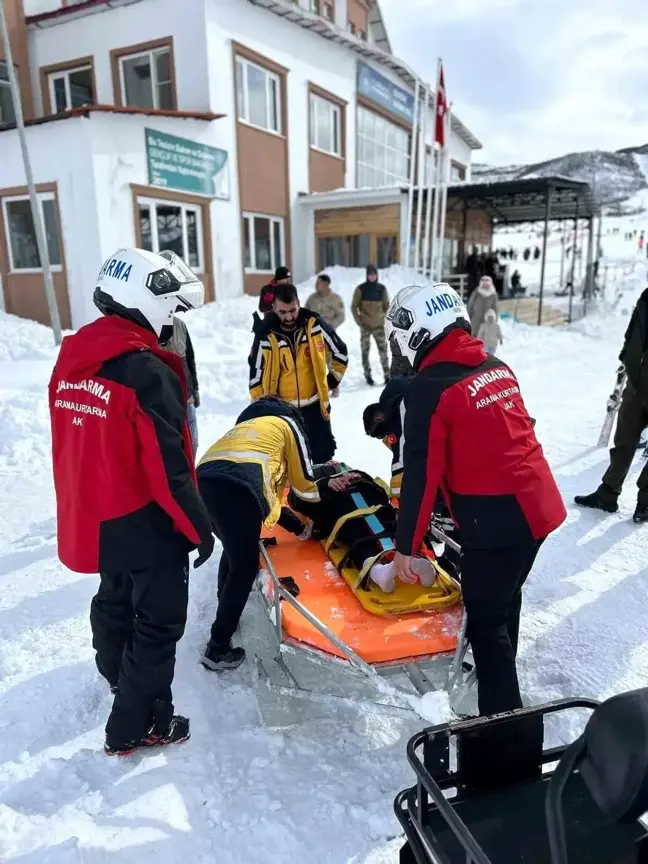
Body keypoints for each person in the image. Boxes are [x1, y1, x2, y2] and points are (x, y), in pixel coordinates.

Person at [49, 248, 215, 756]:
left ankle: (120, 678)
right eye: (172, 307)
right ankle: (133, 727)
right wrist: (198, 526)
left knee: (115, 598)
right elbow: (168, 467)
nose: (173, 318)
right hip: (146, 517)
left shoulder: (76, 358)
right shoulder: (147, 371)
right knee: (159, 622)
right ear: (145, 300)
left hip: (100, 513)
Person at [385, 282, 566, 717]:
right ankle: (501, 671)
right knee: (505, 597)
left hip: (496, 520)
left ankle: (503, 737)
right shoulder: (496, 365)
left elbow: (421, 476)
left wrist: (405, 548)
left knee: (486, 625)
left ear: (416, 331)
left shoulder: (428, 387)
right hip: (538, 507)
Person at [196, 396, 324, 670]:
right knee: (243, 566)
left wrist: (296, 526)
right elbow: (304, 483)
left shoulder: (246, 429)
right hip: (238, 487)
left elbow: (270, 491)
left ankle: (226, 608)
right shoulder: (287, 424)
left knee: (235, 550)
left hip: (202, 483)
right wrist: (318, 520)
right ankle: (217, 649)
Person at [287, 463, 438, 594]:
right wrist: (326, 483)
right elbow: (297, 497)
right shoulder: (316, 475)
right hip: (349, 497)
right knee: (365, 525)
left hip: (361, 492)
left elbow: (297, 498)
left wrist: (350, 477)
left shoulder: (332, 471)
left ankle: (393, 566)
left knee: (372, 524)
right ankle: (391, 566)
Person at [248, 283, 348, 463]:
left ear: (299, 303)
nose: (289, 317)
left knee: (323, 463)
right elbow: (255, 377)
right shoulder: (265, 334)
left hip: (315, 409)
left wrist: (330, 381)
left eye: (293, 310)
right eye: (283, 312)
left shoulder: (314, 324)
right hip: (283, 413)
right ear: (274, 308)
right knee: (287, 465)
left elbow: (340, 353)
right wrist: (261, 410)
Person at [575, 287, 648, 524]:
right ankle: (608, 493)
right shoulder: (647, 296)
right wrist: (626, 361)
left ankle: (645, 502)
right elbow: (633, 332)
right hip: (637, 383)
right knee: (624, 440)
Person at [160, 315, 201, 460]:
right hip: (164, 402)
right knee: (172, 450)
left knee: (193, 444)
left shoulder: (180, 326)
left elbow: (189, 359)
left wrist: (195, 390)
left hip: (186, 399)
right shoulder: (147, 326)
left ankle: (191, 480)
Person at [351, 264, 390, 386]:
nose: (372, 276)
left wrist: (387, 321)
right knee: (365, 351)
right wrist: (359, 321)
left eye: (374, 274)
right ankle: (367, 374)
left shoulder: (382, 289)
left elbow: (387, 307)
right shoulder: (361, 289)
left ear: (377, 275)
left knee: (383, 350)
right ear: (367, 275)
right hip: (365, 326)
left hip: (379, 326)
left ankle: (387, 375)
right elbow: (354, 306)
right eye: (370, 274)